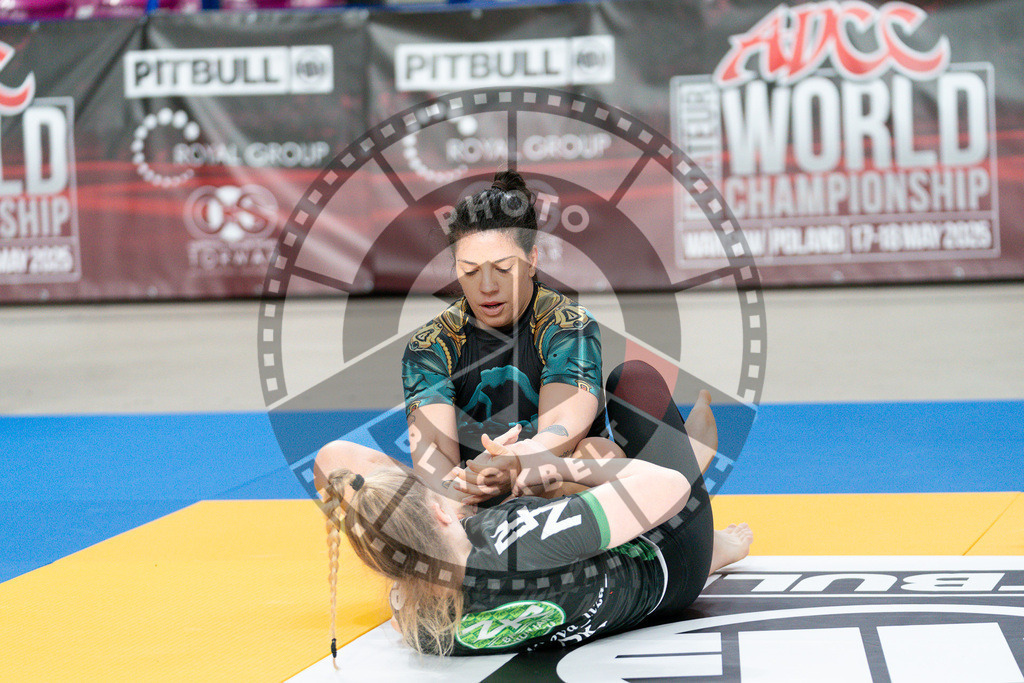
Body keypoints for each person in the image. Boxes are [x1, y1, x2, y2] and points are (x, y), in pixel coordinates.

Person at [317, 360, 753, 657]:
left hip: (562, 566)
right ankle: (710, 528)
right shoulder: (526, 540)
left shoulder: (414, 620)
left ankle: (654, 467)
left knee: (334, 460)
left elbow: (337, 469)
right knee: (630, 385)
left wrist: (490, 488)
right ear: (440, 515)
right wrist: (548, 466)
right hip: (669, 562)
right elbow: (668, 487)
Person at [401, 169, 612, 507]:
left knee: (602, 454)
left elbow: (563, 427)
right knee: (340, 461)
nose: (486, 287)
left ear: (531, 260)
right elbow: (435, 464)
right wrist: (468, 495)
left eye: (502, 268)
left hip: (551, 487)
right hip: (470, 497)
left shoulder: (569, 327)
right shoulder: (429, 348)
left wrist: (514, 466)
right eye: (470, 271)